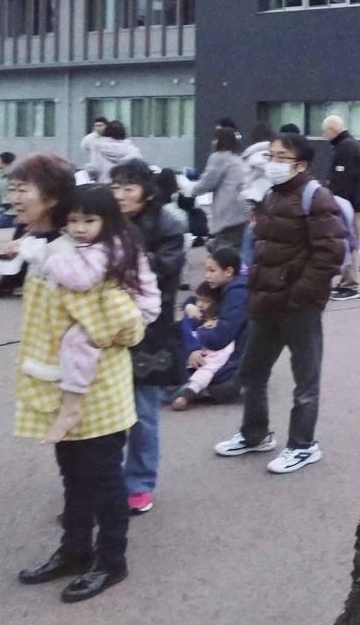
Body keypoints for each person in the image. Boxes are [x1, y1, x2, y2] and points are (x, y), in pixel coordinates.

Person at [10, 154, 154, 603]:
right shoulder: (52, 244)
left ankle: (111, 562)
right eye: (11, 188)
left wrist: (98, 329)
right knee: (73, 476)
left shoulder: (78, 254)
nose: (12, 198)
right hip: (64, 384)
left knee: (104, 482)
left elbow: (122, 323)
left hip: (96, 390)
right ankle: (74, 551)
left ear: (51, 197)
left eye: (21, 189)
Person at [214, 133, 346, 474]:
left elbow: (331, 253)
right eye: (270, 155)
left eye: (280, 157)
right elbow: (262, 250)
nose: (272, 163)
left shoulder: (316, 197)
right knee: (252, 372)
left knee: (305, 380)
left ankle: (303, 446)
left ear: (301, 165)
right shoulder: (272, 196)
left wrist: (300, 293)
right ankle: (255, 435)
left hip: (298, 307)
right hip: (266, 304)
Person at [33, 184, 160, 445]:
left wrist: (50, 259)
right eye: (73, 221)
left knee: (78, 341)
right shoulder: (110, 239)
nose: (79, 229)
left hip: (136, 308)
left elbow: (81, 280)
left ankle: (72, 403)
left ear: (107, 219)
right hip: (124, 304)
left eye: (89, 221)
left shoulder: (107, 246)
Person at [110, 159, 186, 515]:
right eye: (116, 188)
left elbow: (163, 271)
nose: (121, 195)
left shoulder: (168, 224)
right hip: (106, 329)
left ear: (147, 190)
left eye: (129, 188)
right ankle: (106, 479)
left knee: (143, 411)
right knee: (103, 409)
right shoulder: (103, 219)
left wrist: (124, 259)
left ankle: (139, 484)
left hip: (150, 331)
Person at [175, 246, 247, 410]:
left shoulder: (237, 294)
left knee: (179, 344)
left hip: (232, 356)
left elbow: (221, 336)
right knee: (183, 325)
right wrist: (189, 306)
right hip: (225, 348)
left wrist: (195, 338)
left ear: (228, 271)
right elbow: (198, 297)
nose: (207, 275)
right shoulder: (224, 286)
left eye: (212, 270)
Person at [180, 127, 249, 254]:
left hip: (227, 215)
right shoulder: (237, 159)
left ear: (219, 141)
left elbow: (207, 183)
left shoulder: (220, 157)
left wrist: (187, 189)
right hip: (241, 213)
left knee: (224, 254)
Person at [323, 115, 360, 302]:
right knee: (349, 242)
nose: (323, 135)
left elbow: (343, 181)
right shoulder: (349, 145)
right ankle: (346, 282)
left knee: (350, 243)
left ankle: (350, 284)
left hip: (350, 205)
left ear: (332, 130)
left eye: (324, 131)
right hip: (354, 203)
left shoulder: (345, 148)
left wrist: (333, 200)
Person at [240, 123, 275, 206]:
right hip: (274, 198)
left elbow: (244, 179)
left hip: (253, 197)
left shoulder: (252, 156)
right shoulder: (276, 155)